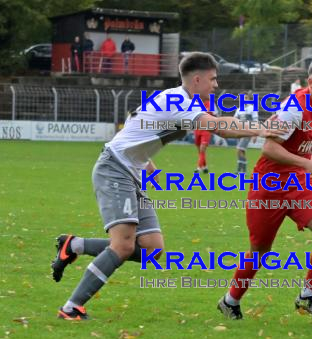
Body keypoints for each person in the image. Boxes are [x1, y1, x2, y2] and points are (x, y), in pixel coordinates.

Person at [52, 52, 287, 320]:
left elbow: (135, 118)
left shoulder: (173, 97)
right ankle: (72, 308)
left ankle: (74, 245)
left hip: (130, 171)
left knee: (152, 250)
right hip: (114, 170)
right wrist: (259, 129)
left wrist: (145, 160)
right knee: (123, 246)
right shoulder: (179, 102)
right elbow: (219, 127)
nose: (216, 85)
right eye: (213, 79)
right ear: (197, 79)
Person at [217, 55, 312, 321]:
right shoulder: (292, 108)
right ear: (311, 82)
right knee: (260, 251)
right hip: (270, 185)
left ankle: (307, 297)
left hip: (298, 183)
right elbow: (269, 147)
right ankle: (230, 301)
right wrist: (305, 163)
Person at [234, 91, 259, 173]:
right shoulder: (238, 110)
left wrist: (255, 134)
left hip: (247, 132)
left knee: (239, 149)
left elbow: (255, 121)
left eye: (246, 98)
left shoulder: (252, 108)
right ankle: (243, 171)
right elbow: (234, 120)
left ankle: (239, 170)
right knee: (242, 150)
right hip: (239, 133)